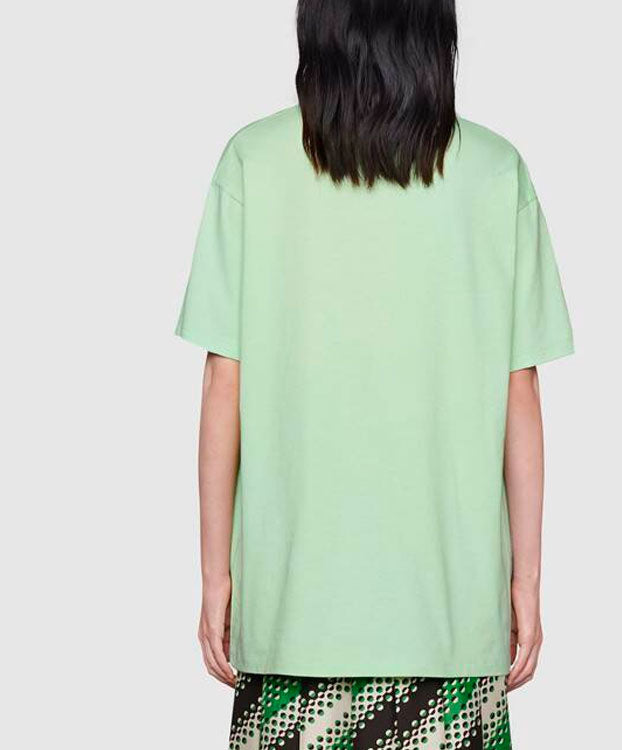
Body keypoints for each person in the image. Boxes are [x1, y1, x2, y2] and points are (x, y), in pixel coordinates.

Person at [176, 2, 573, 748]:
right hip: (450, 621)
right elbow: (518, 391)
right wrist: (524, 581)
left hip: (292, 615)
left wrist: (216, 576)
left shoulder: (252, 161)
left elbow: (224, 382)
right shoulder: (495, 171)